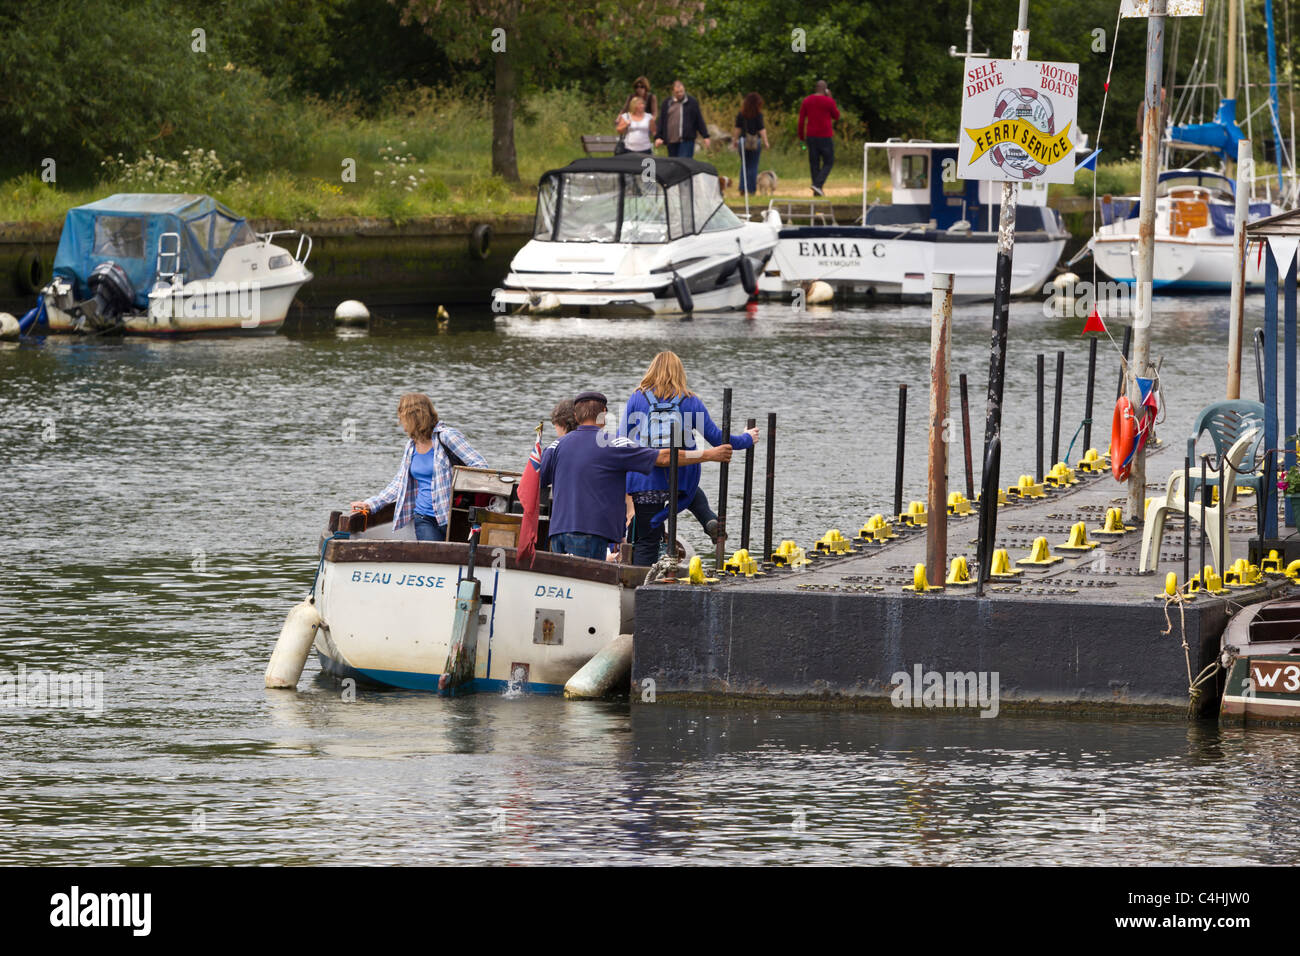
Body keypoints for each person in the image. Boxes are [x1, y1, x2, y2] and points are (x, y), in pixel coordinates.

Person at [539, 390, 732, 560]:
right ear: (603, 414)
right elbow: (664, 458)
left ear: (575, 415)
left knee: (568, 580)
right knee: (585, 582)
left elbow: (535, 482)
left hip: (558, 532)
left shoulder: (554, 446)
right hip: (592, 532)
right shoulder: (613, 444)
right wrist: (709, 455)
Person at [621, 352, 759, 566]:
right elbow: (719, 440)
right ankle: (709, 519)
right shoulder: (690, 401)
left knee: (646, 541)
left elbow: (623, 441)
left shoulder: (637, 398)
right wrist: (747, 438)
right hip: (677, 479)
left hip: (644, 481)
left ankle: (641, 588)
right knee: (690, 490)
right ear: (680, 372)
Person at [351, 392, 487, 542]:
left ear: (413, 417)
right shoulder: (411, 446)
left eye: (402, 417)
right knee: (432, 560)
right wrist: (371, 503)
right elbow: (399, 483)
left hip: (454, 517)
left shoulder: (447, 437)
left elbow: (480, 466)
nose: (400, 422)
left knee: (451, 560)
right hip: (423, 518)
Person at [798, 80, 840, 196]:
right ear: (825, 90)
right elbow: (836, 116)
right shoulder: (828, 101)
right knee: (829, 162)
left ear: (815, 88)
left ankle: (817, 190)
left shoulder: (807, 101)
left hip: (811, 136)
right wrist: (831, 98)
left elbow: (801, 121)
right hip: (825, 136)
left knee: (814, 163)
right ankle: (817, 185)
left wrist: (801, 136)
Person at [654, 80, 710, 158]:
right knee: (673, 163)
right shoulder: (667, 103)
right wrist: (658, 137)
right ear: (673, 92)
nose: (680, 94)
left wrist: (705, 136)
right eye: (677, 92)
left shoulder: (692, 102)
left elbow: (699, 120)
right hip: (671, 140)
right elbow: (661, 121)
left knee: (684, 163)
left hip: (687, 139)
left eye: (681, 91)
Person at [732, 92, 769, 195]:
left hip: (742, 141)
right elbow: (761, 129)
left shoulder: (741, 114)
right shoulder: (758, 115)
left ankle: (743, 188)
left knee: (744, 165)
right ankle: (751, 189)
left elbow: (737, 128)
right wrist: (766, 141)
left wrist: (734, 141)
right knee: (753, 166)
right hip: (754, 142)